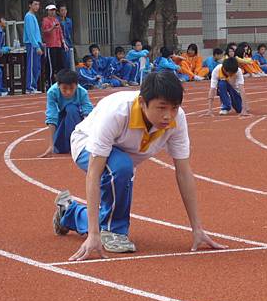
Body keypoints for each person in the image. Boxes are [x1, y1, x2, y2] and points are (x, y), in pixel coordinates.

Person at [52, 71, 226, 258]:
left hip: (123, 161)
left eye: (174, 108)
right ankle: (114, 231)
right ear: (143, 102)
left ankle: (69, 212)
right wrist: (93, 235)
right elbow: (94, 173)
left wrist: (197, 228)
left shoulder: (177, 120)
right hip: (86, 144)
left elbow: (183, 172)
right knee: (121, 168)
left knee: (122, 169)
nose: (168, 116)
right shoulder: (117, 113)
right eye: (161, 108)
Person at [41, 69, 93, 157]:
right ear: (58, 85)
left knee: (71, 108)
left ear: (77, 85)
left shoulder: (82, 92)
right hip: (62, 118)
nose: (68, 92)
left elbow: (87, 114)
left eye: (72, 88)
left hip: (78, 119)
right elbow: (52, 116)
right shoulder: (52, 92)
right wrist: (51, 145)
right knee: (60, 149)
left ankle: (77, 142)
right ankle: (68, 143)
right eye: (64, 89)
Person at [42, 4, 66, 88]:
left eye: (54, 10)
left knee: (60, 65)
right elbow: (45, 31)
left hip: (58, 44)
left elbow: (60, 32)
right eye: (51, 10)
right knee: (51, 65)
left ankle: (60, 82)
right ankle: (50, 82)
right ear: (48, 11)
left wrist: (63, 43)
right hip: (50, 45)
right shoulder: (45, 20)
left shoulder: (56, 20)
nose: (53, 12)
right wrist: (52, 28)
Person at [24, 0, 44, 93]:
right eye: (35, 4)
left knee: (37, 66)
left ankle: (33, 86)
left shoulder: (33, 16)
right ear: (30, 5)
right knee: (32, 66)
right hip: (32, 44)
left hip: (37, 43)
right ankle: (30, 86)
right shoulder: (28, 16)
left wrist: (40, 43)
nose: (37, 6)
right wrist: (36, 46)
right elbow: (30, 33)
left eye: (38, 4)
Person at [57, 4, 74, 69]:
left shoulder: (69, 20)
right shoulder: (57, 20)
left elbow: (69, 32)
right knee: (63, 63)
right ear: (58, 12)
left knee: (69, 63)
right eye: (62, 10)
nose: (64, 12)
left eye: (65, 10)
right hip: (60, 44)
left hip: (68, 43)